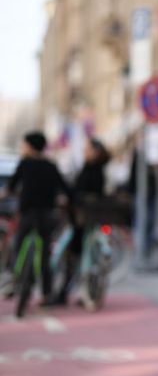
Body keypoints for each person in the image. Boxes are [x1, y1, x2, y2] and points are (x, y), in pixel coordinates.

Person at [7, 131, 70, 306]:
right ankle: (46, 292)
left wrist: (9, 193)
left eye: (24, 144)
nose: (22, 148)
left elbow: (12, 185)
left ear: (30, 146)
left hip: (28, 214)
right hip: (47, 215)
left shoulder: (25, 163)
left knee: (18, 247)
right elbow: (64, 187)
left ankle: (14, 282)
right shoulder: (51, 165)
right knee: (44, 255)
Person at [54, 137, 110, 304]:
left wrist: (68, 198)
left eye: (87, 149)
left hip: (82, 219)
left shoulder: (92, 170)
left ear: (95, 152)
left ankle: (65, 292)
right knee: (79, 255)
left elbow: (80, 192)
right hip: (87, 218)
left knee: (71, 255)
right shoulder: (96, 168)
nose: (84, 151)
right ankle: (81, 291)